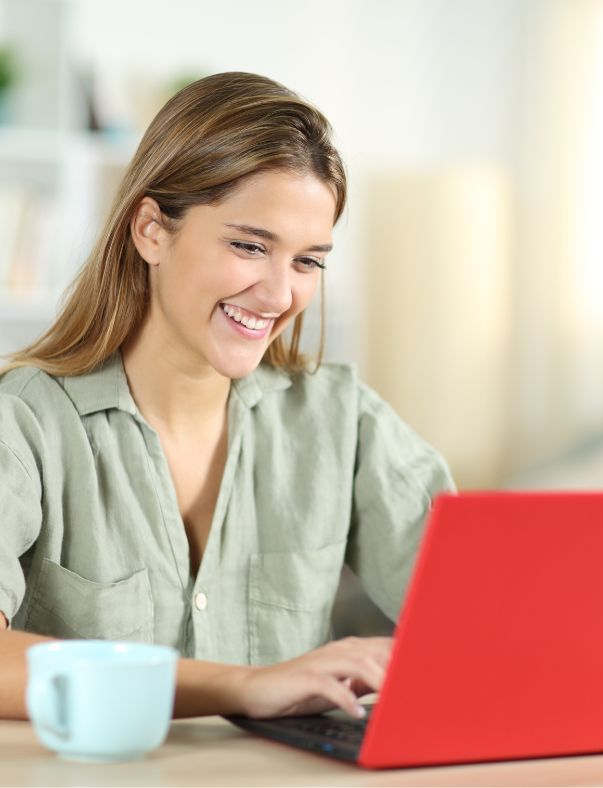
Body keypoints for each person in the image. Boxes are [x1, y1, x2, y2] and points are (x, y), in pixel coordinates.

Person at [0, 72, 455, 721]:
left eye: (307, 261)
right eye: (249, 246)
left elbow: (482, 617)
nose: (277, 296)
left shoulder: (340, 420)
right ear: (151, 230)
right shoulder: (25, 421)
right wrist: (238, 685)